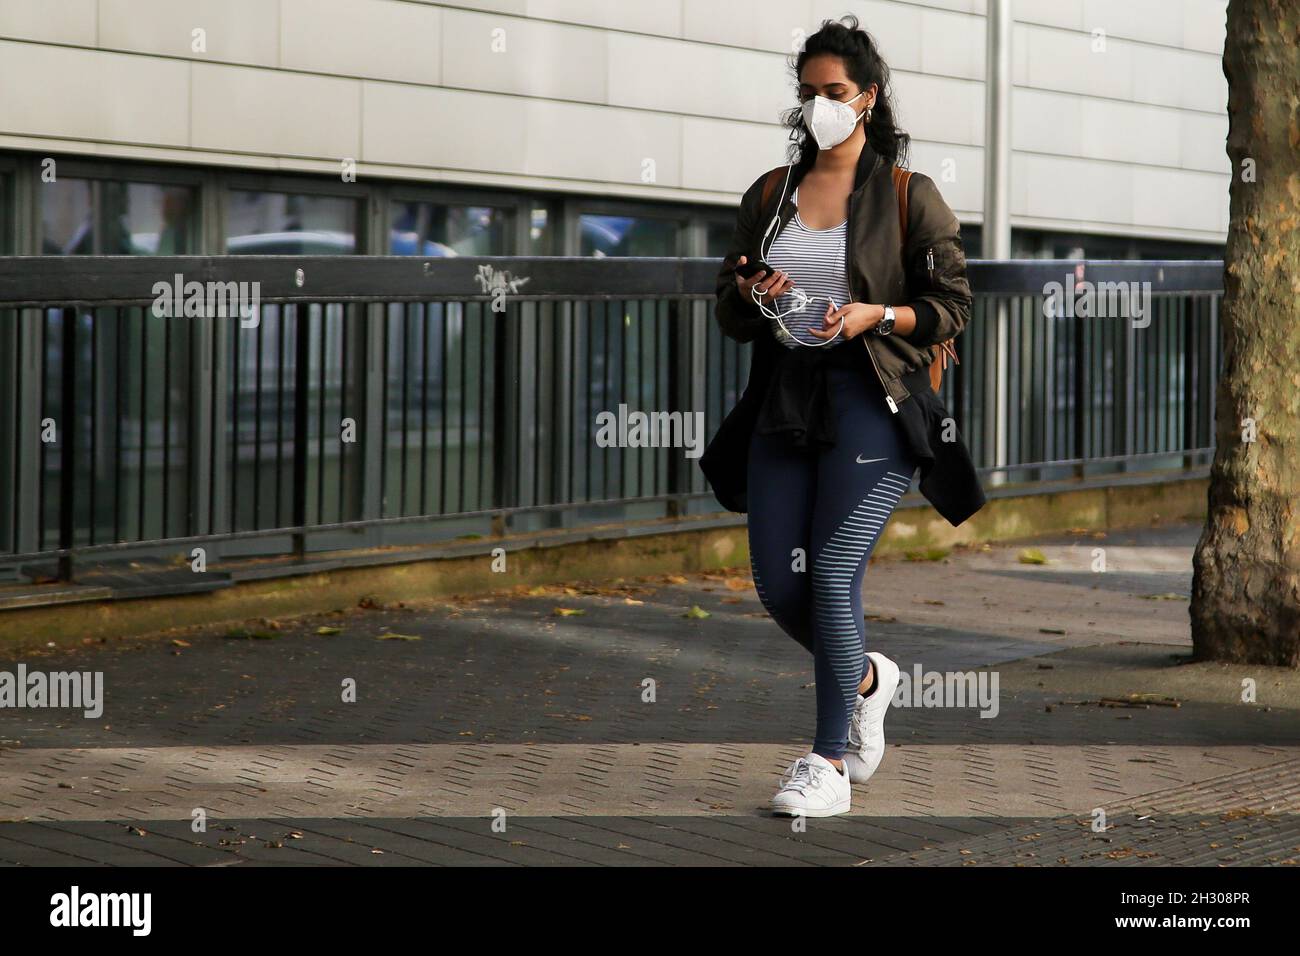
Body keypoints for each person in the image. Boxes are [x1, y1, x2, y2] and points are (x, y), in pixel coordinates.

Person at [699, 15, 986, 817]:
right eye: (809, 93)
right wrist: (756, 295)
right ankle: (868, 678)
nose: (821, 105)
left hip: (872, 398)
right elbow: (728, 309)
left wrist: (875, 316)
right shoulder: (771, 193)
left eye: (834, 92)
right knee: (775, 583)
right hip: (785, 399)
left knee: (830, 575)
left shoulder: (905, 194)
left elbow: (950, 306)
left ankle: (827, 763)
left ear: (867, 96)